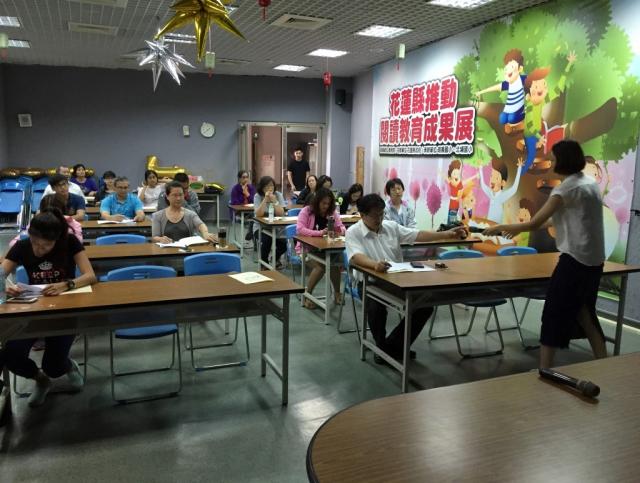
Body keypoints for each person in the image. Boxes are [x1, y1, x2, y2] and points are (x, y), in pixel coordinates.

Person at [484, 140, 606, 369]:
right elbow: (554, 220)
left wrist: (504, 228)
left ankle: (545, 368)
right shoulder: (589, 184)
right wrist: (516, 227)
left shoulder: (565, 189)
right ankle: (603, 361)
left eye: (554, 158)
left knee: (552, 315)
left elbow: (535, 223)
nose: (551, 162)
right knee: (586, 314)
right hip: (594, 263)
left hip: (574, 261)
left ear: (564, 161)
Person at [345, 193, 466, 364]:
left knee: (424, 304)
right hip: (368, 281)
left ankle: (390, 348)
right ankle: (383, 346)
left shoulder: (391, 226)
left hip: (396, 280)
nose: (379, 219)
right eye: (374, 215)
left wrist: (446, 235)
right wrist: (374, 265)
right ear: (362, 215)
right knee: (375, 306)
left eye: (381, 214)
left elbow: (418, 235)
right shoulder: (353, 232)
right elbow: (356, 257)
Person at [0, 209, 97, 407]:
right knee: (12, 356)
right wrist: (5, 286)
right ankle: (41, 380)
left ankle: (68, 366)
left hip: (64, 309)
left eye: (45, 245)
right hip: (33, 309)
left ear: (56, 240)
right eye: (35, 243)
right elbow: (1, 273)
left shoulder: (70, 243)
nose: (38, 249)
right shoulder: (22, 246)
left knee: (53, 366)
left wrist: (67, 284)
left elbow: (90, 276)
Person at [296, 188, 346, 309]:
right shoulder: (306, 211)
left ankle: (337, 293)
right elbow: (300, 229)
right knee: (320, 267)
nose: (326, 206)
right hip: (307, 249)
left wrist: (339, 231)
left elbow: (342, 227)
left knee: (334, 265)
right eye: (323, 203)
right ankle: (307, 295)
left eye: (328, 203)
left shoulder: (332, 212)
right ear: (317, 201)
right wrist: (319, 233)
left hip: (326, 248)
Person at [152, 181, 218, 244]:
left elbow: (200, 225)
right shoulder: (158, 216)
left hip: (187, 249)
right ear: (167, 196)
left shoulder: (190, 214)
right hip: (166, 250)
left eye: (180, 195)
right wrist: (160, 239)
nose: (178, 198)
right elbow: (154, 238)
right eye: (175, 195)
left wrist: (205, 233)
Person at [254, 176, 287, 269]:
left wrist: (275, 201)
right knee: (267, 240)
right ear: (262, 187)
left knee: (283, 245)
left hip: (277, 228)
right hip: (261, 227)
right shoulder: (258, 196)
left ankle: (274, 258)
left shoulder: (278, 195)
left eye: (271, 186)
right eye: (266, 186)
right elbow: (258, 214)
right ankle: (264, 264)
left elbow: (281, 214)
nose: (269, 188)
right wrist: (265, 199)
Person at [479, 157, 524, 223]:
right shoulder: (490, 193)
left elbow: (514, 189)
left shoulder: (502, 196)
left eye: (496, 178)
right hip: (488, 225)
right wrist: (480, 168)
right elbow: (483, 185)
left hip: (497, 226)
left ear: (503, 183)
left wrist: (519, 168)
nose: (492, 180)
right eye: (491, 176)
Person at [230, 170, 256, 243]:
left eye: (247, 177)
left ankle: (251, 233)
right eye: (243, 177)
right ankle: (251, 232)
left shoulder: (251, 188)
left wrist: (247, 194)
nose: (246, 179)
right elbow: (234, 203)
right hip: (239, 213)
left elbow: (255, 201)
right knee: (254, 217)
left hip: (250, 212)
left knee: (256, 216)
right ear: (239, 179)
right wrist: (244, 205)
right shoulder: (235, 189)